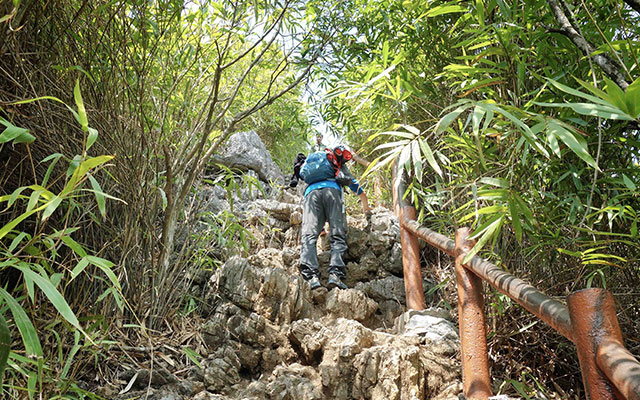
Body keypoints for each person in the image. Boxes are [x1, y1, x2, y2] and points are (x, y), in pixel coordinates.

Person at [299, 146, 371, 290]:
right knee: (338, 234)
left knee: (308, 236)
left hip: (311, 194)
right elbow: (352, 183)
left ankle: (311, 278)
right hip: (333, 191)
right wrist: (366, 207)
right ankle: (335, 275)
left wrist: (320, 229)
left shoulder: (311, 174)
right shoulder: (336, 163)